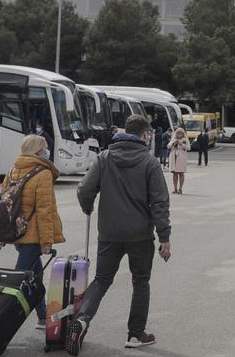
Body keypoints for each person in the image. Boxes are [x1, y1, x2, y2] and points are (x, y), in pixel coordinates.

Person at [70, 114, 172, 354]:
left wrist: (88, 205)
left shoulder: (105, 157)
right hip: (140, 234)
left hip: (109, 232)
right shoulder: (150, 162)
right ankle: (136, 334)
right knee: (140, 282)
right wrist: (164, 236)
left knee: (102, 280)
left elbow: (85, 188)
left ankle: (82, 319)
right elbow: (159, 202)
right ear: (145, 134)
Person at [0, 134, 64, 330]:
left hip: (18, 234)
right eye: (45, 148)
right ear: (38, 151)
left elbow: (4, 207)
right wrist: (46, 242)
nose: (47, 151)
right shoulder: (42, 173)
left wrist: (2, 236)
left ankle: (43, 317)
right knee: (19, 280)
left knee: (36, 277)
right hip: (33, 237)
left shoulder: (12, 171)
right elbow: (44, 211)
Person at [168, 128, 190, 195]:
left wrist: (181, 144)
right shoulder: (173, 139)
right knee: (174, 173)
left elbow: (189, 148)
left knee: (181, 173)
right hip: (174, 156)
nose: (179, 134)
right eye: (178, 133)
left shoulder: (185, 140)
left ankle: (180, 188)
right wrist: (174, 143)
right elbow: (168, 146)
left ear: (183, 134)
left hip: (181, 157)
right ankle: (175, 188)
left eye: (180, 133)